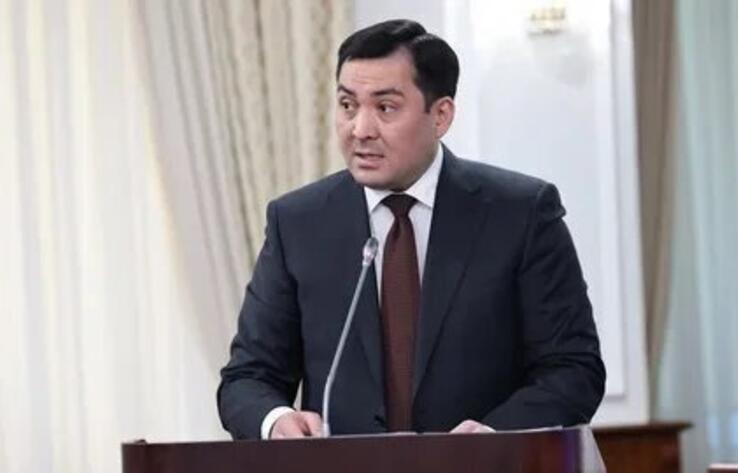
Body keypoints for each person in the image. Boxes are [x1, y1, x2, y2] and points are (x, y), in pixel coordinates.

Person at [217, 19, 605, 440]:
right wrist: (275, 420)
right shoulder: (298, 223)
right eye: (347, 105)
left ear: (440, 115)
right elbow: (247, 377)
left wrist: (496, 435)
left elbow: (573, 369)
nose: (360, 129)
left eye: (385, 108)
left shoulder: (521, 214)